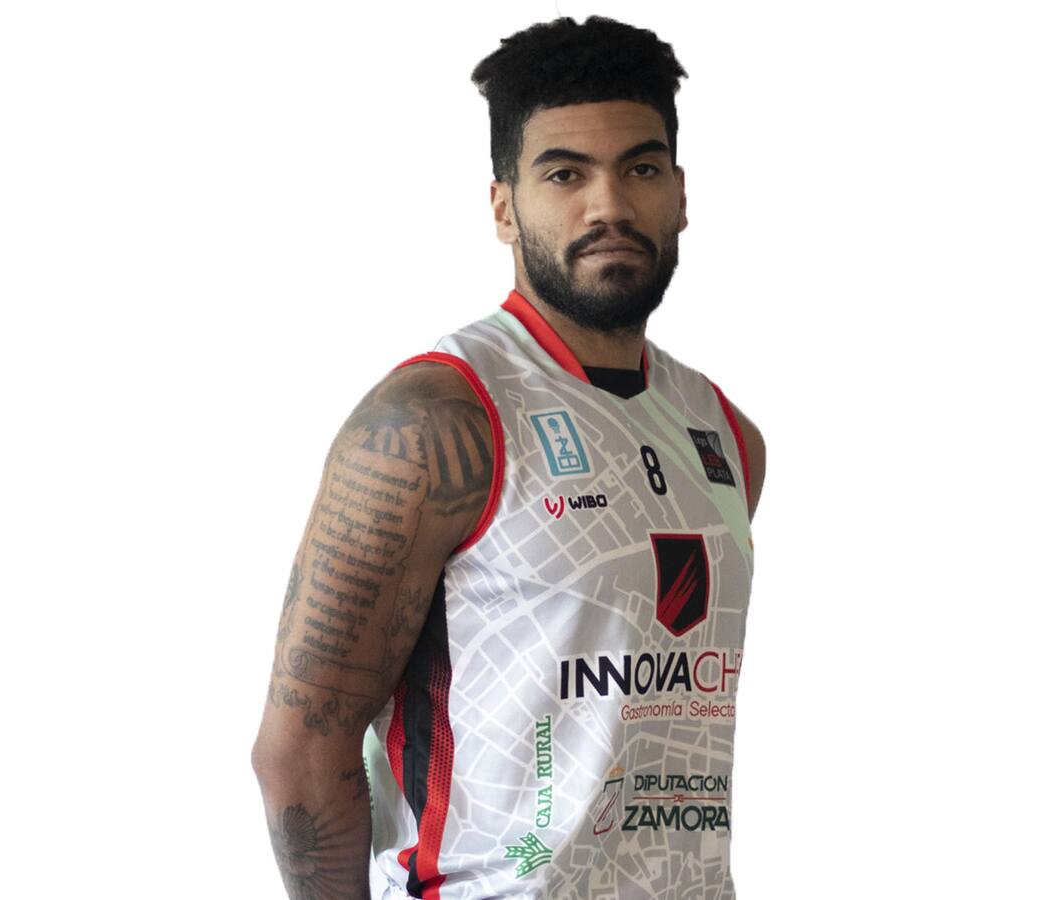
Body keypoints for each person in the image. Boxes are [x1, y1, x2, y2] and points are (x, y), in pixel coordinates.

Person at [252, 15, 765, 899]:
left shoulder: (724, 434)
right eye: (565, 174)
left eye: (641, 169)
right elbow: (299, 752)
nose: (608, 206)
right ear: (503, 207)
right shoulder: (433, 421)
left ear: (681, 194)